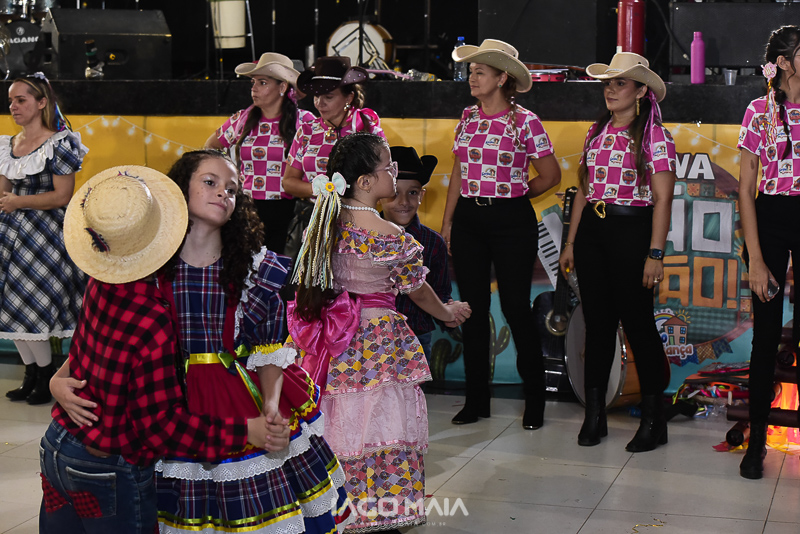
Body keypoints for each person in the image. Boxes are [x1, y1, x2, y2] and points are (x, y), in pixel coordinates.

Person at [53, 150, 353, 534]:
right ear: (181, 190)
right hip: (164, 401)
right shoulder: (144, 265)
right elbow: (107, 339)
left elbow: (268, 352)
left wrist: (270, 410)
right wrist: (58, 378)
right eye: (210, 182)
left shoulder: (258, 270)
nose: (223, 193)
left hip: (233, 398)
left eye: (232, 189)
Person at [285, 132, 471, 532]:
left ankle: (335, 506)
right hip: (377, 339)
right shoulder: (389, 235)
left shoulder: (325, 223)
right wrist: (447, 312)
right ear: (366, 181)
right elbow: (418, 291)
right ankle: (378, 508)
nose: (395, 173)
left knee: (338, 413)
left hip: (331, 337)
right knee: (380, 418)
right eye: (390, 166)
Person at [440, 39, 562, 429]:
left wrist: (514, 193)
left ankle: (535, 400)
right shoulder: (467, 117)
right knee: (471, 309)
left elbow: (551, 175)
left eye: (480, 72)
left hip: (511, 221)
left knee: (515, 307)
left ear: (502, 78)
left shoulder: (526, 121)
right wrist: (448, 222)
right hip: (469, 220)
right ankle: (476, 400)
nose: (472, 78)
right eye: (471, 72)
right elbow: (458, 172)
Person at [558, 52, 676, 452]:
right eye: (608, 82)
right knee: (597, 324)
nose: (610, 89)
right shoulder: (597, 130)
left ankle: (654, 419)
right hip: (593, 231)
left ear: (641, 91)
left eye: (620, 83)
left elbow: (663, 199)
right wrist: (571, 242)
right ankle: (594, 415)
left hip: (632, 230)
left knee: (638, 324)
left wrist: (655, 254)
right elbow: (584, 190)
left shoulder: (655, 136)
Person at [1, 73, 88, 405]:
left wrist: (19, 201)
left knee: (32, 306)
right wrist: (9, 201)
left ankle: (47, 374)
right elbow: (3, 192)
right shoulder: (8, 144)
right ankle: (31, 374)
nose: (13, 106)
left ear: (41, 103)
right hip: (10, 231)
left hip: (44, 234)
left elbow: (62, 196)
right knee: (12, 307)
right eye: (11, 100)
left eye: (21, 100)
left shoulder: (60, 143)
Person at [737, 25, 800, 479]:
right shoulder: (758, 111)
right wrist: (756, 260)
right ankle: (757, 437)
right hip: (770, 219)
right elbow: (745, 190)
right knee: (765, 337)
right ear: (783, 63)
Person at [205, 52, 314, 254]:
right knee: (245, 264)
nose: (254, 88)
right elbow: (210, 147)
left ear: (282, 87)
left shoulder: (305, 121)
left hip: (289, 211)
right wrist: (228, 180)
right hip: (248, 208)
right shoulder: (242, 119)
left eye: (262, 82)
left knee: (280, 267)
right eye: (253, 82)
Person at [380, 146, 451, 361]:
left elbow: (440, 292)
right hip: (370, 335)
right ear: (379, 195)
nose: (403, 202)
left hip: (417, 337)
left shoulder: (433, 243)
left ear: (422, 195)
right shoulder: (364, 237)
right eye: (394, 193)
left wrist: (451, 312)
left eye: (412, 193)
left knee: (417, 384)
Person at [282, 56, 385, 202]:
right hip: (316, 212)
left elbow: (384, 180)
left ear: (348, 98)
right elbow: (288, 182)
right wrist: (319, 189)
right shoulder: (306, 131)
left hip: (358, 213)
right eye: (316, 96)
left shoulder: (369, 130)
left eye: (328, 97)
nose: (320, 103)